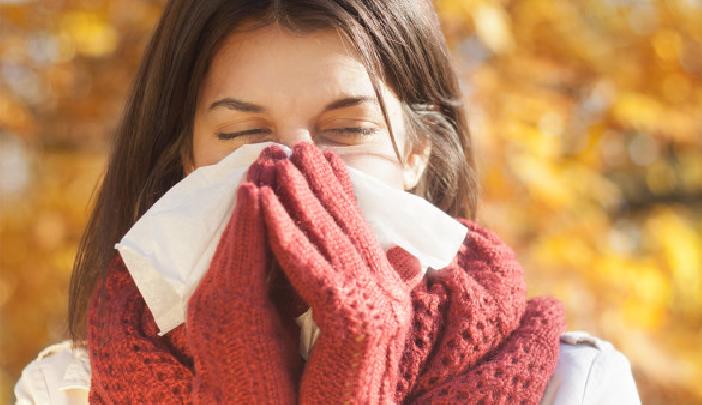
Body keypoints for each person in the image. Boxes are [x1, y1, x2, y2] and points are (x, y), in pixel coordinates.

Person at [14, 1, 642, 404]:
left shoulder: (570, 386)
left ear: (418, 149)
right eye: (241, 136)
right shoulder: (69, 391)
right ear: (188, 160)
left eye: (347, 131)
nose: (295, 169)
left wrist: (360, 364)